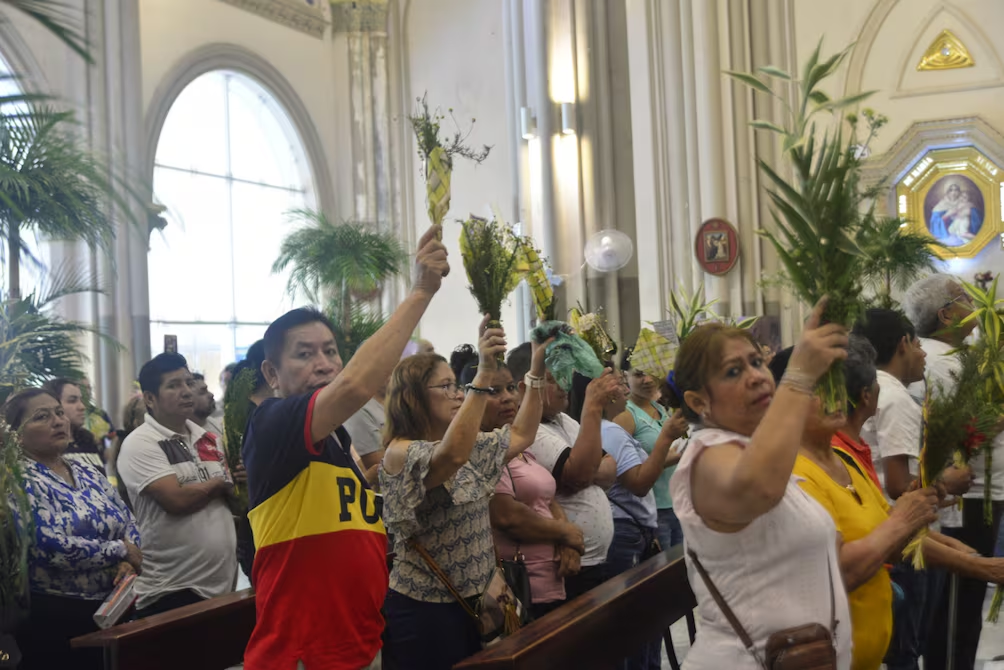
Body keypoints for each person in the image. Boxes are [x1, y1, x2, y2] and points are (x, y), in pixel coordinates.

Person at [241, 224, 449, 670]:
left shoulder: (337, 436)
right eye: (304, 354)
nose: (324, 364)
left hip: (358, 642)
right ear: (272, 374)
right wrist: (420, 293)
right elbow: (356, 383)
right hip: (306, 651)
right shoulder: (272, 423)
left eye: (331, 351)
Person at [772, 336, 1004, 670]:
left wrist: (970, 559)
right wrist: (910, 516)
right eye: (820, 389)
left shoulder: (842, 459)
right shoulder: (792, 473)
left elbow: (891, 530)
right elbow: (840, 570)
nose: (838, 399)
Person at [668, 301, 853, 669]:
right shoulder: (706, 455)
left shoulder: (752, 448)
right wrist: (798, 376)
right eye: (733, 371)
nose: (755, 376)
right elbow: (759, 490)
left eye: (756, 362)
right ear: (698, 401)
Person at [380, 320, 549, 668]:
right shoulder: (400, 452)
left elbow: (521, 435)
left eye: (457, 386)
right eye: (446, 386)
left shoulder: (466, 445)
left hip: (478, 603)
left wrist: (535, 373)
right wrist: (483, 373)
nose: (458, 394)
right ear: (412, 398)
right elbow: (450, 458)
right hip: (427, 611)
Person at [854, 308, 971, 670]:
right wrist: (946, 480)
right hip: (904, 539)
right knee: (905, 649)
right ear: (903, 343)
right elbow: (898, 485)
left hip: (881, 531)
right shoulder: (895, 397)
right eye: (919, 344)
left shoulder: (872, 388)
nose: (923, 354)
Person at [903, 274, 1002, 670]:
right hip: (964, 500)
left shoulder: (956, 357)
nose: (974, 300)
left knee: (963, 608)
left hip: (976, 494)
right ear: (947, 315)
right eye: (964, 296)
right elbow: (960, 434)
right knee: (956, 613)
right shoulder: (939, 362)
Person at [445, 344, 586, 621]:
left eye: (510, 388)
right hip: (520, 584)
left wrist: (568, 537)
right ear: (468, 401)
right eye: (494, 391)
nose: (508, 398)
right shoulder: (476, 450)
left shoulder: (517, 443)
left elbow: (547, 498)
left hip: (551, 580)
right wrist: (564, 534)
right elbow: (507, 516)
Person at [3, 389, 142, 670]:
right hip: (56, 614)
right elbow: (46, 544)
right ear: (17, 434)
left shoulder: (86, 470)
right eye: (42, 417)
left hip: (114, 604)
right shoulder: (16, 477)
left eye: (58, 412)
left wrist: (129, 559)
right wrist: (120, 550)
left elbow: (128, 518)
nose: (57, 421)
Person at [117, 353, 237, 618]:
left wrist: (237, 480)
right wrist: (220, 483)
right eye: (173, 385)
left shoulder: (208, 438)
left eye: (187, 383)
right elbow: (177, 501)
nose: (186, 392)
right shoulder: (141, 443)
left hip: (221, 584)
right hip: (172, 588)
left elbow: (233, 495)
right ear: (150, 398)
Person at [508, 344, 623, 601]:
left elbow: (610, 467)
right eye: (552, 378)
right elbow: (579, 475)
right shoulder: (528, 432)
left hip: (594, 559)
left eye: (563, 374)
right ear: (525, 386)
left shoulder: (563, 420)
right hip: (566, 564)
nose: (563, 383)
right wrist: (592, 405)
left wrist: (586, 466)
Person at [600, 367, 687, 670]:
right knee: (644, 612)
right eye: (627, 378)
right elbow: (638, 478)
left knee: (660, 605)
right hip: (638, 521)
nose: (628, 386)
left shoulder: (661, 408)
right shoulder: (616, 424)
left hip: (664, 508)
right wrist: (666, 439)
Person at [613, 351, 685, 549]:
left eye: (649, 372)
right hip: (653, 510)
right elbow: (628, 470)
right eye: (638, 374)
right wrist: (680, 454)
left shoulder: (660, 408)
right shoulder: (625, 416)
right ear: (625, 376)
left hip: (676, 503)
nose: (646, 380)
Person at [41, 378, 105, 474]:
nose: (82, 407)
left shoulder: (87, 440)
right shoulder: (46, 446)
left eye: (81, 400)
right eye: (72, 401)